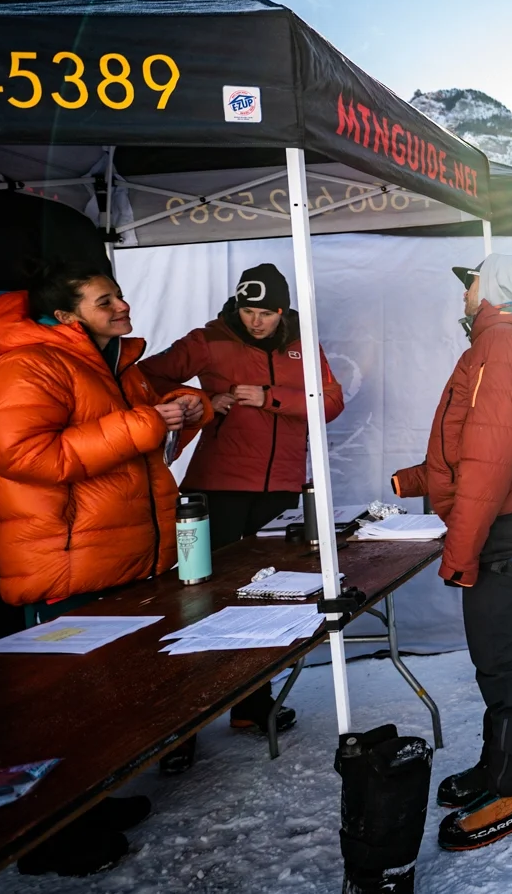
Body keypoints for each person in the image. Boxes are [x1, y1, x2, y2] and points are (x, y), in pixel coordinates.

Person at [0, 264, 210, 876]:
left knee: (105, 702)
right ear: (66, 316)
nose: (124, 305)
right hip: (68, 561)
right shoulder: (25, 364)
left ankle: (88, 804)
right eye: (106, 300)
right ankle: (45, 839)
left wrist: (184, 412)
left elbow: (137, 437)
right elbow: (22, 453)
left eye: (121, 294)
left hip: (120, 556)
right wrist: (143, 424)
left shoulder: (114, 366)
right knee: (62, 708)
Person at [391, 253, 512, 852]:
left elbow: (491, 461)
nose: (464, 292)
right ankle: (497, 769)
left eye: (469, 283)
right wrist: (420, 479)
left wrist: (460, 550)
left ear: (490, 288)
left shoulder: (502, 345)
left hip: (498, 526)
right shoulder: (501, 341)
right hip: (501, 517)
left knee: (504, 660)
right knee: (499, 656)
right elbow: (481, 442)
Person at [139, 263, 343, 737]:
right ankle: (184, 721)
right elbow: (141, 381)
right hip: (218, 488)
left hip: (279, 490)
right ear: (236, 306)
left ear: (282, 309)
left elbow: (331, 402)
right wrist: (204, 403)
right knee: (203, 600)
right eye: (249, 311)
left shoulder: (302, 344)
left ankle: (253, 703)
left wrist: (271, 396)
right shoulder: (208, 340)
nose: (257, 322)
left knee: (269, 599)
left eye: (267, 313)